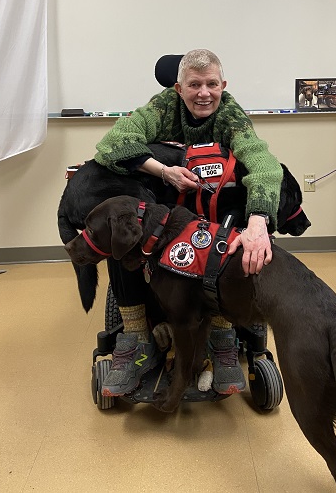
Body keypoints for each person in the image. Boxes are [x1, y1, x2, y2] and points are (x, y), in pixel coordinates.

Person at [95, 49, 283, 396]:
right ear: (179, 88)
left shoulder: (231, 115)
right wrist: (163, 170)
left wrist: (258, 222)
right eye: (194, 85)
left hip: (213, 212)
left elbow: (264, 164)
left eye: (212, 84)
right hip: (165, 211)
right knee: (124, 237)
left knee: (240, 229)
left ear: (223, 85)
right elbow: (112, 144)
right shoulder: (163, 107)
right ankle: (138, 340)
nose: (204, 93)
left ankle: (222, 335)